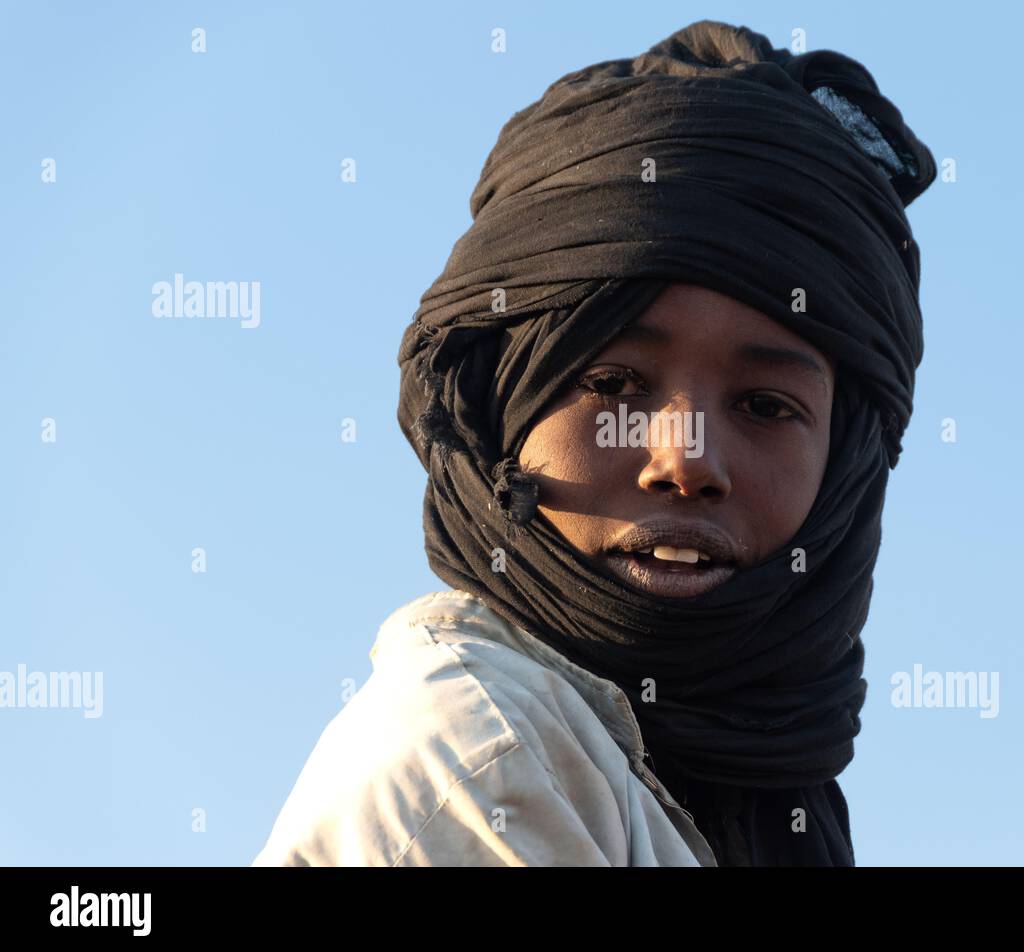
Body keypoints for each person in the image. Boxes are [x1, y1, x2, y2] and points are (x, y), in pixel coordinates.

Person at [252, 18, 935, 867]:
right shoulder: (477, 766)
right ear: (497, 408)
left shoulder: (753, 798)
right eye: (613, 386)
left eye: (764, 404)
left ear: (846, 467)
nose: (686, 461)